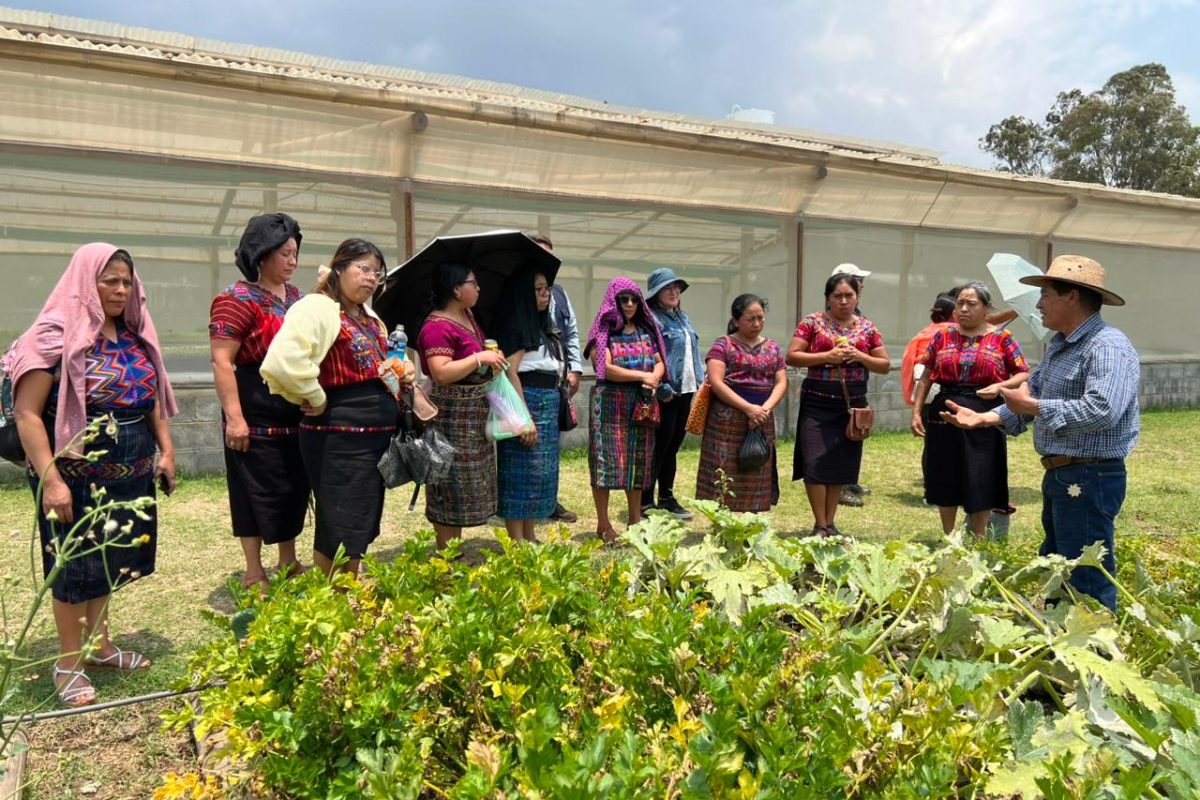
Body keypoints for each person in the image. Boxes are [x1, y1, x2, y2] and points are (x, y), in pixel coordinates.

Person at [6, 243, 178, 707]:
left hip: (131, 471)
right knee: (73, 568)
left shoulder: (135, 334)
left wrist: (166, 450)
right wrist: (52, 481)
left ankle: (99, 647)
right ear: (86, 281)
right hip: (73, 475)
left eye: (127, 282)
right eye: (110, 281)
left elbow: (152, 400)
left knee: (109, 560)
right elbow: (27, 413)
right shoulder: (52, 336)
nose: (121, 290)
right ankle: (68, 662)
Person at [940, 255, 1139, 612]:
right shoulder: (1061, 346)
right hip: (1063, 474)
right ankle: (1060, 633)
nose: (1039, 304)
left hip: (1090, 476)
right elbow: (1029, 397)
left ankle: (1095, 639)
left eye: (1046, 294)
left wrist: (1033, 407)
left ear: (1072, 297)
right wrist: (983, 418)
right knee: (1057, 563)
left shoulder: (1107, 346)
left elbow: (1103, 410)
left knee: (1084, 572)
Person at [261, 239, 401, 576]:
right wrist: (316, 396)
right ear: (339, 268)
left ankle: (348, 583)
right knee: (340, 519)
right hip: (339, 437)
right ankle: (335, 592)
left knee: (360, 516)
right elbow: (283, 361)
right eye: (363, 268)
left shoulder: (367, 316)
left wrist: (399, 372)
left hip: (372, 437)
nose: (371, 278)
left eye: (377, 273)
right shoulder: (317, 307)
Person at [209, 213, 310, 590]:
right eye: (284, 253)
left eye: (295, 253)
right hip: (253, 408)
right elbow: (222, 361)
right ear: (261, 254)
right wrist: (235, 418)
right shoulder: (234, 299)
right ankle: (254, 570)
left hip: (294, 409)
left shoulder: (298, 298)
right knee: (250, 489)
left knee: (292, 485)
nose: (292, 261)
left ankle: (288, 559)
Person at [911, 282, 1029, 536]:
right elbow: (927, 374)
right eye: (960, 303)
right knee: (945, 472)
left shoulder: (1002, 338)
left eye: (971, 304)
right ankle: (949, 536)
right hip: (945, 410)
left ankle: (978, 536)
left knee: (981, 473)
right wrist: (916, 412)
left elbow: (1022, 373)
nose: (963, 309)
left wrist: (1000, 386)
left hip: (984, 412)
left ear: (986, 308)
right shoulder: (942, 336)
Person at [787, 272, 890, 536]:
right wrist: (827, 356)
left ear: (857, 297)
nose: (843, 301)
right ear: (827, 298)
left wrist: (860, 355)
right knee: (814, 462)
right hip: (817, 401)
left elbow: (884, 365)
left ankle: (830, 523)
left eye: (849, 296)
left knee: (839, 464)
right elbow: (792, 356)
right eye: (837, 296)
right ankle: (819, 523)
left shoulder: (867, 327)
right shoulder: (812, 322)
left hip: (851, 405)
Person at [415, 263, 508, 550]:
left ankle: (453, 550)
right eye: (473, 283)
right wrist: (480, 359)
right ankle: (447, 554)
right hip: (450, 418)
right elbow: (441, 372)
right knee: (448, 484)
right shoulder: (436, 326)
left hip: (473, 418)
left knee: (465, 485)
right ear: (456, 289)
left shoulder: (468, 316)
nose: (478, 288)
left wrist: (491, 358)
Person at [583, 277, 667, 544]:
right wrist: (642, 376)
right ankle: (603, 524)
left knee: (637, 463)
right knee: (605, 464)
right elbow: (604, 368)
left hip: (641, 404)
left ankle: (635, 520)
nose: (629, 304)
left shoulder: (645, 330)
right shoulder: (603, 332)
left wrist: (655, 376)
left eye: (634, 299)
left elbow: (659, 361)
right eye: (624, 299)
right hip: (609, 405)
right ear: (613, 301)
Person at [695, 294, 787, 512]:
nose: (757, 323)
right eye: (750, 319)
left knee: (756, 468)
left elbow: (781, 382)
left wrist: (764, 409)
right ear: (736, 321)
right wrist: (748, 409)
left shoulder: (773, 348)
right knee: (723, 471)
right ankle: (721, 523)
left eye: (760, 318)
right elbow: (716, 382)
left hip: (761, 419)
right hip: (726, 421)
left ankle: (751, 521)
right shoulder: (723, 345)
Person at [493, 269, 562, 542]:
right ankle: (516, 540)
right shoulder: (516, 325)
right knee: (518, 473)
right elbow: (510, 373)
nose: (546, 294)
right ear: (524, 294)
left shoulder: (541, 324)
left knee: (537, 474)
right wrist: (523, 418)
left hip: (546, 402)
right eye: (539, 289)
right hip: (525, 400)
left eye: (547, 288)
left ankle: (530, 534)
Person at [529, 232, 582, 524]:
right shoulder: (518, 292)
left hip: (557, 380)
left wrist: (575, 369)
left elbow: (571, 332)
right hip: (527, 380)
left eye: (551, 256)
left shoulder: (559, 292)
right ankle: (526, 503)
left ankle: (549, 501)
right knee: (526, 448)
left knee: (551, 447)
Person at [645, 267, 704, 520]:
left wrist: (701, 381)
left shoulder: (683, 318)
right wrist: (661, 388)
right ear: (655, 294)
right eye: (667, 288)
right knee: (659, 448)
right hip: (666, 393)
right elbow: (649, 356)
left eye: (676, 287)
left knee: (672, 448)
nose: (673, 292)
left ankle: (667, 498)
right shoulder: (652, 320)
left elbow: (693, 353)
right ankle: (645, 502)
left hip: (686, 391)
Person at [829, 263, 873, 507]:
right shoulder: (829, 320)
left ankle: (849, 479)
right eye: (857, 280)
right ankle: (840, 486)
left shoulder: (860, 316)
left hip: (857, 385)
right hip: (836, 388)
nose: (861, 285)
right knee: (838, 438)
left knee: (856, 431)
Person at [901, 293, 957, 411]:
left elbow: (908, 363)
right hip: (950, 394)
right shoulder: (956, 333)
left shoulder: (923, 333)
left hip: (923, 393)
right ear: (954, 314)